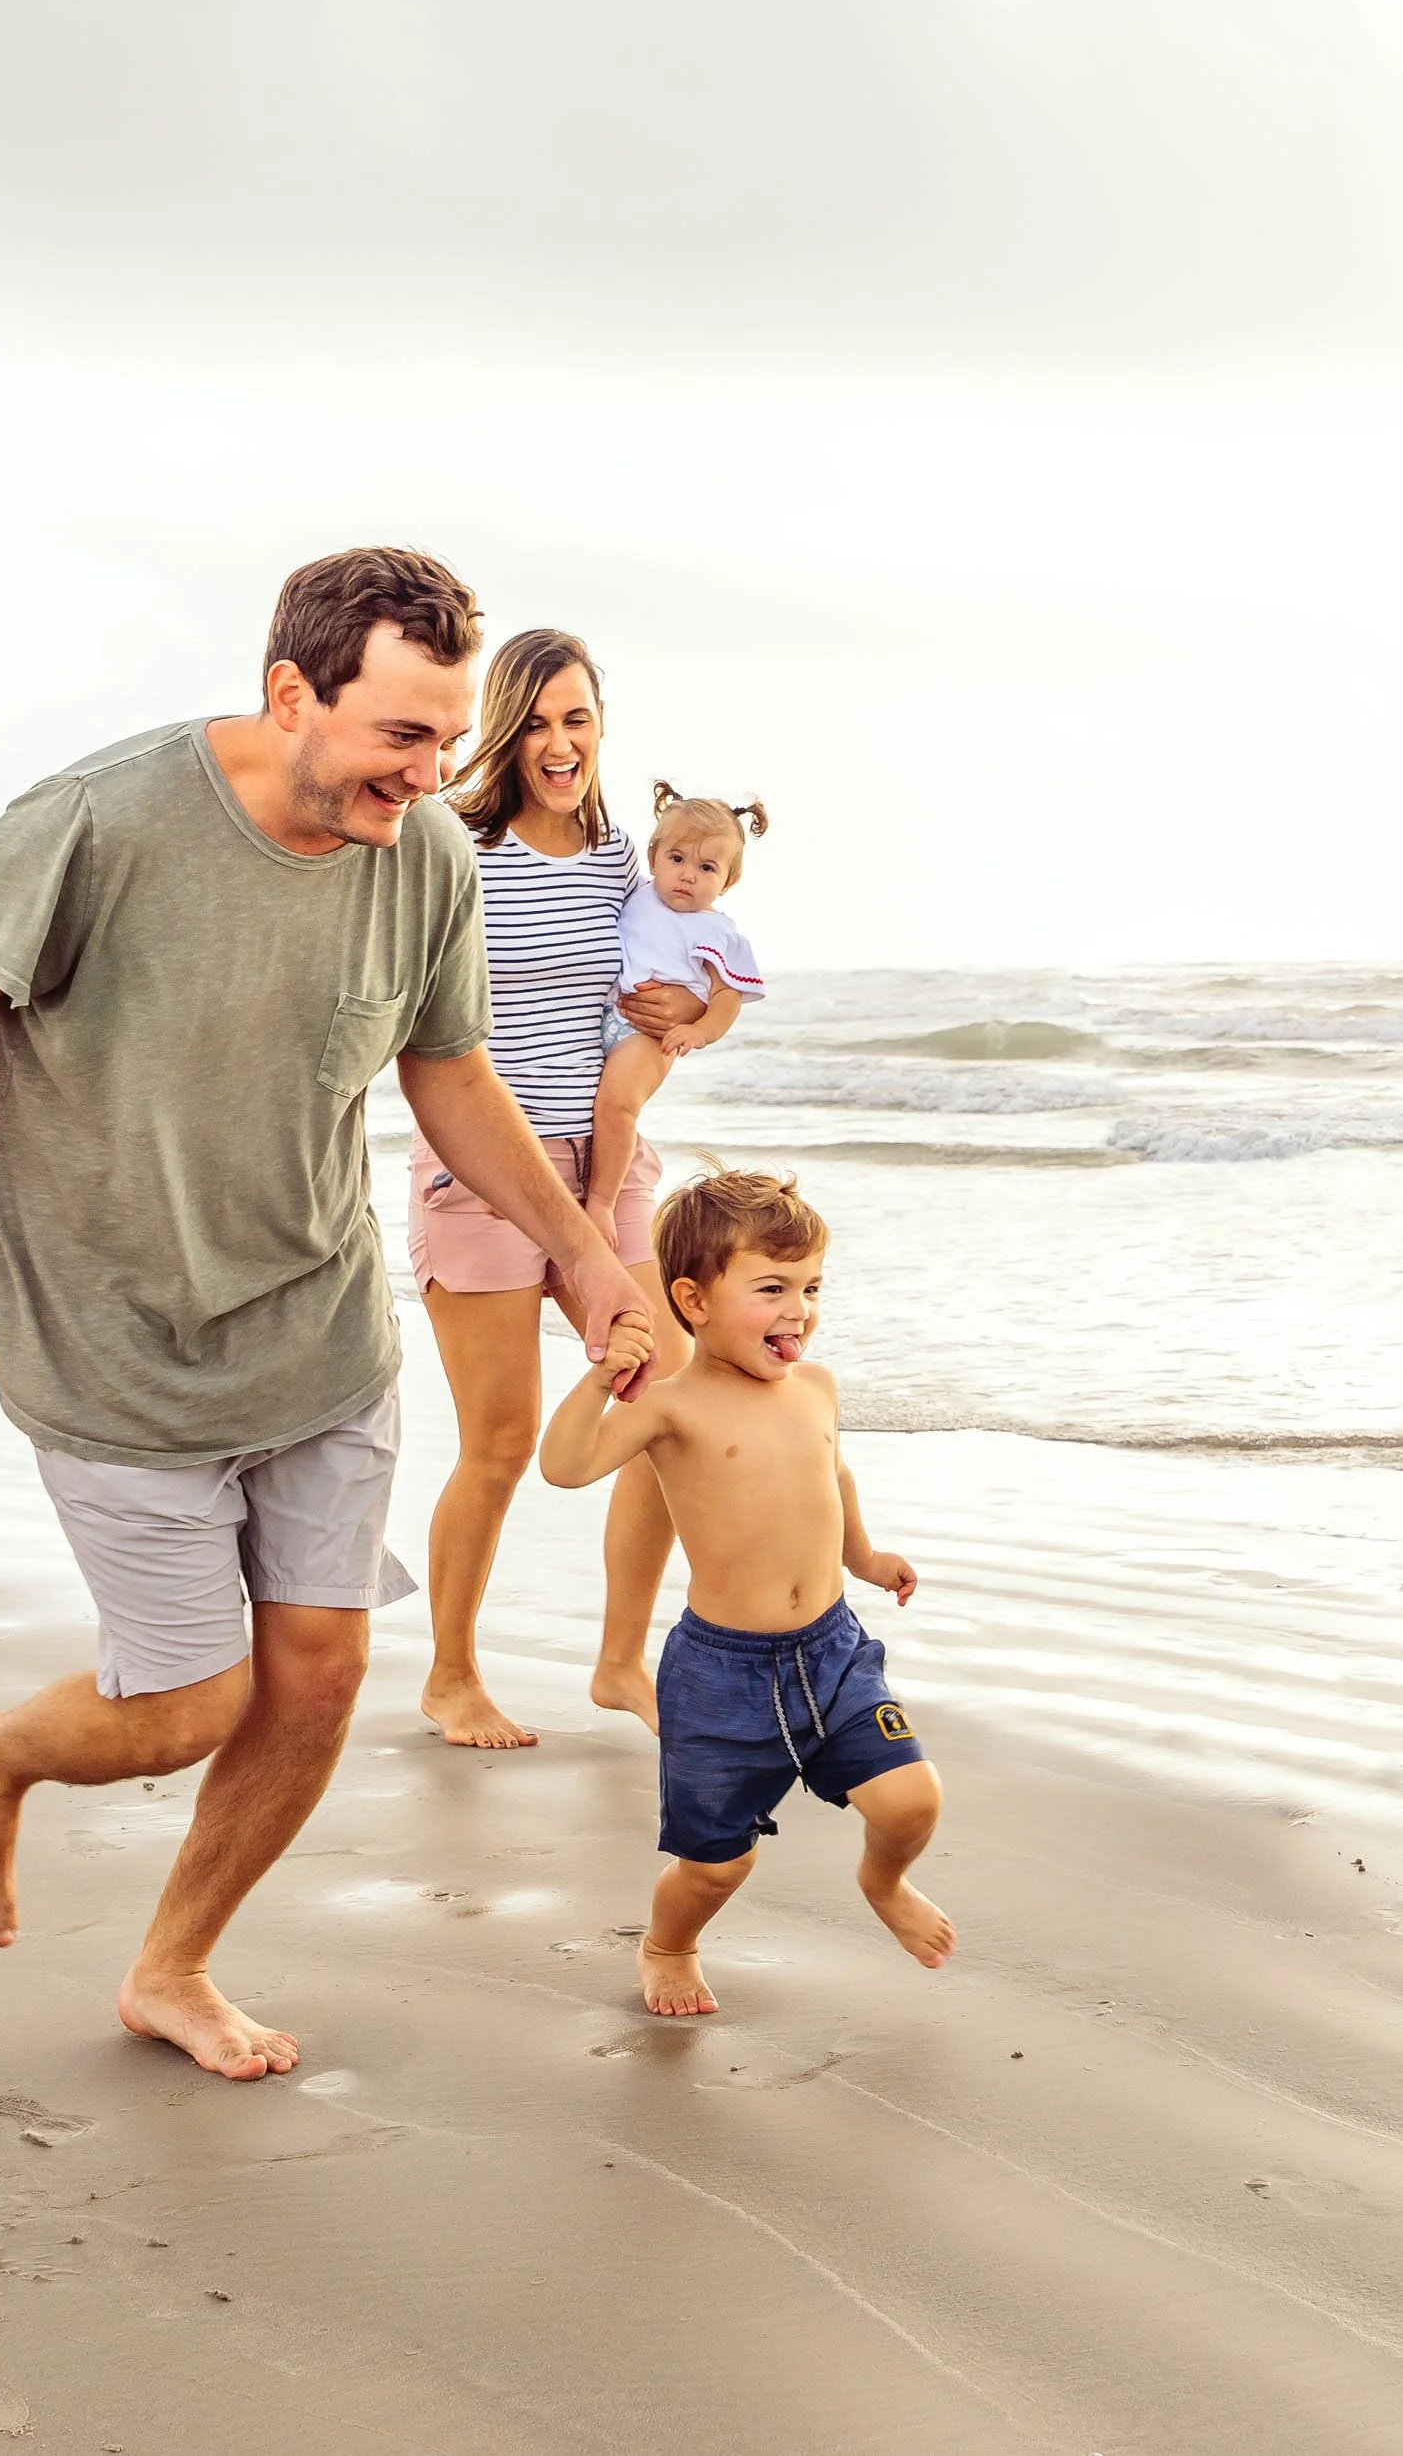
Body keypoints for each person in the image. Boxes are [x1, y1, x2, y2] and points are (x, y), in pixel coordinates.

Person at [0, 547, 656, 2082]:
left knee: (317, 1675)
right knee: (189, 1703)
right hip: (115, 1346)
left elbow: (447, 1073)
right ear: (288, 693)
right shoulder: (100, 822)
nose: (429, 774)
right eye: (400, 736)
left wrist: (581, 1252)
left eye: (448, 741)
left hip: (318, 1334)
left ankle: (173, 1967)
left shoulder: (425, 860)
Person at [538, 1167, 954, 2017]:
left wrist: (865, 1557)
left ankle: (883, 1884)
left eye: (809, 1287)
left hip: (832, 1649)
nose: (797, 1309)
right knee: (716, 1863)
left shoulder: (816, 1388)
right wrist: (597, 1379)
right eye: (770, 1289)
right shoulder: (670, 1408)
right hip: (722, 1676)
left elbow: (830, 1474)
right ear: (691, 1300)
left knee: (911, 1799)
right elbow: (566, 1466)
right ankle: (669, 1945)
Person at [408, 631, 703, 1750]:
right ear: (501, 729)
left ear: (598, 727)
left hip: (605, 1167)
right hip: (482, 1168)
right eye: (533, 721)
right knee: (500, 1440)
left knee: (663, 1404)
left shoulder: (625, 856)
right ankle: (450, 1676)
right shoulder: (453, 848)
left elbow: (673, 986)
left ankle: (621, 1660)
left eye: (573, 718)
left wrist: (690, 1023)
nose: (556, 743)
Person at [584, 783, 769, 1250]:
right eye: (677, 859)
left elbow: (726, 996)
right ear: (653, 858)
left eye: (707, 868)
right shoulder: (637, 896)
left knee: (616, 1107)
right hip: (609, 1013)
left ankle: (602, 1202)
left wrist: (697, 1030)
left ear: (728, 881)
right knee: (592, 1108)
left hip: (649, 1036)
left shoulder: (713, 930)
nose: (688, 876)